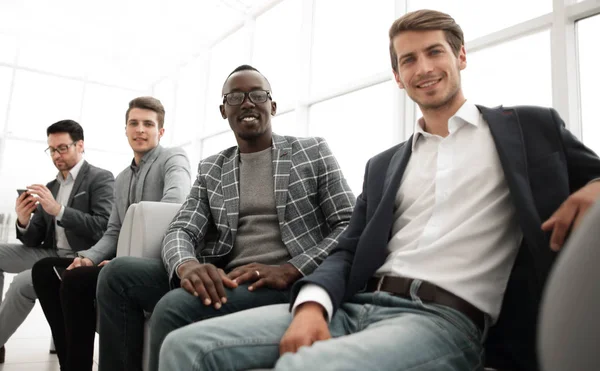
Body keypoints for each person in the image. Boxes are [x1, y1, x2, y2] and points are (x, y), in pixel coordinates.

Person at [157, 10, 600, 371]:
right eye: (408, 60)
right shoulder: (385, 165)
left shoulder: (529, 128)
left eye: (434, 52)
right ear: (396, 75)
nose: (423, 68)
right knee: (183, 346)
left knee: (307, 367)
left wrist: (596, 186)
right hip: (358, 303)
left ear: (461, 56)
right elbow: (348, 249)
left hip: (444, 321)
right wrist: (313, 304)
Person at [95, 65, 356, 371]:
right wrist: (186, 265)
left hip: (290, 281)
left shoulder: (312, 152)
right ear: (223, 110)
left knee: (173, 307)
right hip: (230, 278)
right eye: (235, 97)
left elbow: (348, 223)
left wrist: (291, 269)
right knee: (116, 275)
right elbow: (181, 229)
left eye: (257, 95)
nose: (247, 102)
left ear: (272, 105)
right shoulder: (213, 169)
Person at [31, 96, 192, 371]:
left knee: (75, 281)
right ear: (126, 129)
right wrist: (88, 257)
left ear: (160, 131)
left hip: (154, 261)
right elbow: (113, 231)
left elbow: (173, 207)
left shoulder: (173, 158)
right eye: (134, 123)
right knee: (46, 270)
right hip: (122, 257)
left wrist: (124, 259)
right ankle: (70, 363)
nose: (140, 129)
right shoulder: (122, 178)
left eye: (148, 124)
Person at [0, 120, 114, 363]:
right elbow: (34, 238)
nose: (56, 155)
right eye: (51, 149)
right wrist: (23, 221)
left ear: (80, 145)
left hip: (81, 255)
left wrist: (59, 210)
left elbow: (103, 226)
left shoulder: (100, 178)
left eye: (62, 148)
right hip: (49, 251)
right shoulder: (50, 186)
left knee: (22, 283)